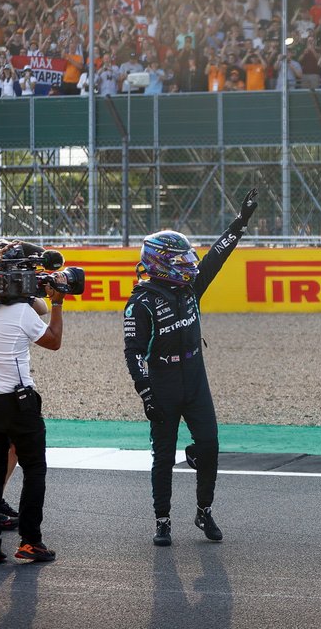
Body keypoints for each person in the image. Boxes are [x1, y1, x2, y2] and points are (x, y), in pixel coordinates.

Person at [123, 189, 258, 546]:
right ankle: (162, 519)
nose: (188, 262)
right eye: (179, 257)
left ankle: (203, 511)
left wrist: (240, 222)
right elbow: (133, 352)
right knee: (163, 456)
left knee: (210, 445)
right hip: (163, 383)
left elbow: (216, 256)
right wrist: (146, 392)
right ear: (159, 261)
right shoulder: (141, 302)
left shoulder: (190, 287)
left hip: (195, 378)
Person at [0, 240, 66, 566]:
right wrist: (57, 303)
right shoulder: (21, 313)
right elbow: (54, 341)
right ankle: (30, 542)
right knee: (34, 470)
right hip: (19, 404)